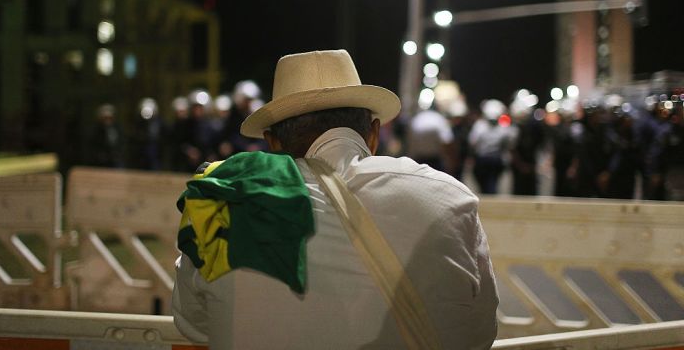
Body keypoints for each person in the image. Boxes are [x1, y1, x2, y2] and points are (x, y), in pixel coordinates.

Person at [172, 49, 498, 350]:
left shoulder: (223, 196)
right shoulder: (448, 196)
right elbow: (480, 333)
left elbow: (195, 323)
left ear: (272, 143)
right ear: (372, 134)